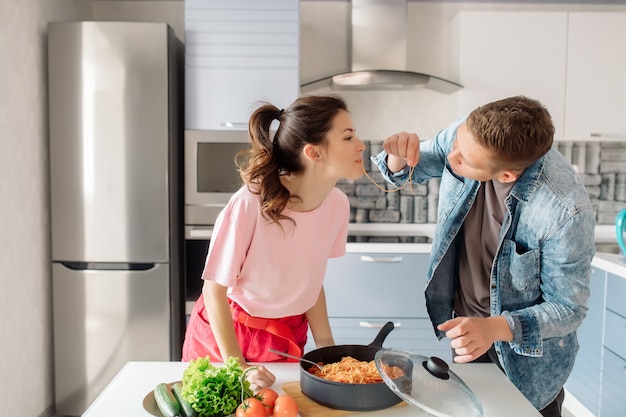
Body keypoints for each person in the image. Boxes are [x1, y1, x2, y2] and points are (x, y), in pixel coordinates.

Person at [371, 96, 595, 417]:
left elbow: (569, 309)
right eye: (457, 142)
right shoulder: (470, 137)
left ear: (506, 175)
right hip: (470, 335)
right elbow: (409, 169)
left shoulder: (564, 209)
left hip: (526, 361)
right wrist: (397, 157)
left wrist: (496, 328)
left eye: (464, 161)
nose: (451, 156)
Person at [182, 94, 365, 390]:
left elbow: (309, 282)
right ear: (313, 152)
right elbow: (214, 291)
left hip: (286, 334)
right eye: (348, 137)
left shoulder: (337, 205)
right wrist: (239, 368)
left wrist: (329, 353)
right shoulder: (250, 203)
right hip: (228, 334)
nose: (361, 144)